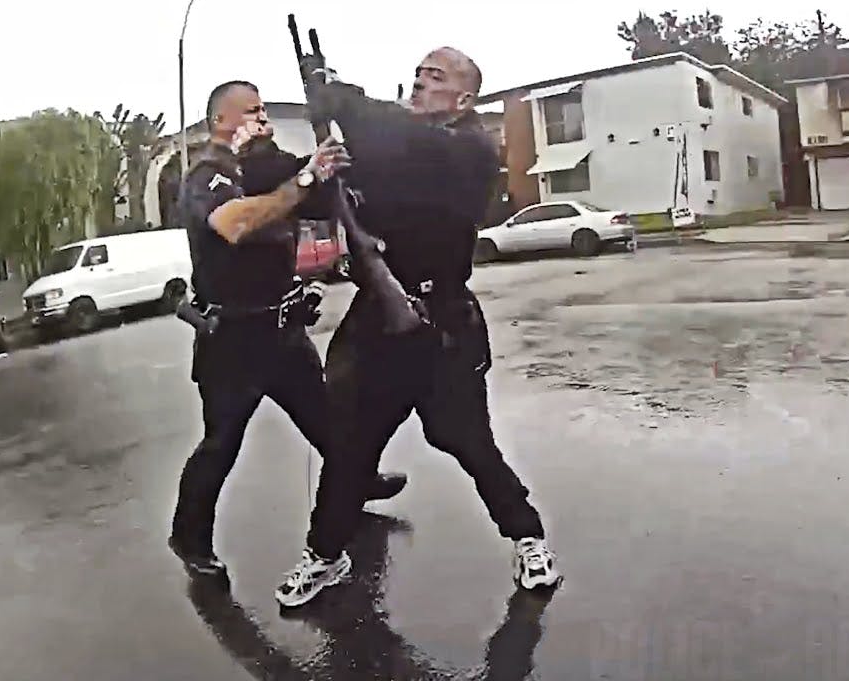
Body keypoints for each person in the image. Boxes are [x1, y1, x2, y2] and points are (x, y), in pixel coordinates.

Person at [274, 49, 562, 607]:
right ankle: (325, 555)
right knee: (350, 449)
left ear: (464, 99)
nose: (419, 83)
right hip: (378, 318)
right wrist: (322, 165)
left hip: (442, 319)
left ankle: (528, 538)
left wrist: (345, 97)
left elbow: (409, 148)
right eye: (419, 74)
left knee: (468, 441)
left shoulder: (471, 148)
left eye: (435, 78)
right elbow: (346, 183)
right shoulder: (395, 143)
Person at [169, 80, 407, 577]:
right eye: (252, 112)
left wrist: (332, 170)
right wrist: (304, 180)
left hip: (283, 329)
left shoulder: (263, 168)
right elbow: (235, 223)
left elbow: (318, 201)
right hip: (232, 339)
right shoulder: (206, 176)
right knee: (221, 443)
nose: (264, 121)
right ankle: (189, 538)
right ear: (221, 121)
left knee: (331, 421)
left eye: (264, 111)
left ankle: (356, 485)